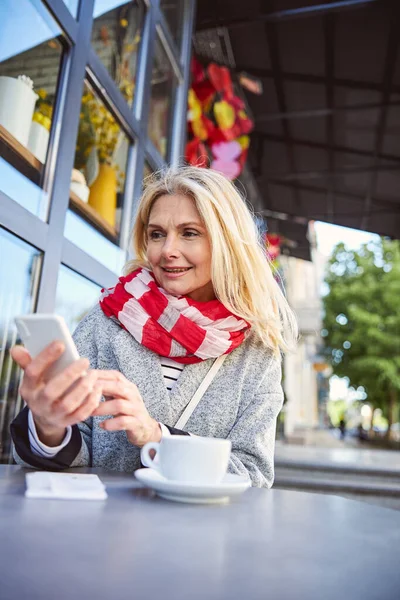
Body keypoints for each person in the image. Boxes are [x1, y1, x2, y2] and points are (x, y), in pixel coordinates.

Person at [10, 166, 297, 488]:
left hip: (197, 535)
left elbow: (254, 476)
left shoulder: (257, 352)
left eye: (189, 233)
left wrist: (157, 437)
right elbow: (65, 461)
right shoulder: (106, 321)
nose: (167, 251)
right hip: (101, 532)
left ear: (227, 244)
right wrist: (48, 426)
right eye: (157, 234)